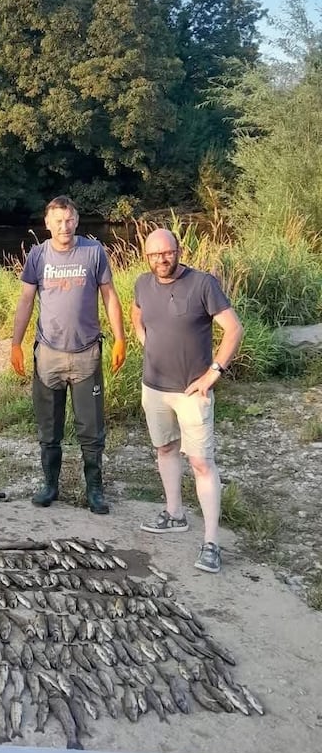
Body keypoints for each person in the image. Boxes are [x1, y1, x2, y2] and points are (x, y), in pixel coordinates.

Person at [132, 228, 243, 574]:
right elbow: (137, 313)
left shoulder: (203, 284)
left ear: (179, 251)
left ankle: (211, 543)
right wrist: (143, 341)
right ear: (146, 257)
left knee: (200, 462)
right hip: (154, 387)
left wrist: (213, 373)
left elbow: (234, 329)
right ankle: (174, 513)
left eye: (167, 253)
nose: (161, 260)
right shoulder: (141, 284)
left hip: (192, 392)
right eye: (154, 255)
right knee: (164, 449)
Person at [11, 195, 126, 514]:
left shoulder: (93, 251)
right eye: (57, 221)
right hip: (48, 354)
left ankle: (95, 490)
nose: (64, 226)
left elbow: (109, 295)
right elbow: (25, 301)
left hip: (86, 353)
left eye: (69, 219)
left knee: (91, 428)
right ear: (47, 224)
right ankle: (50, 485)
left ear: (77, 220)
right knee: (50, 428)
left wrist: (120, 338)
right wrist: (15, 344)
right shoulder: (37, 255)